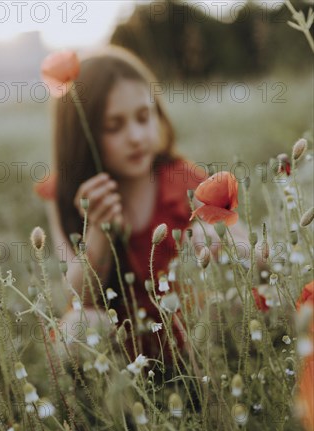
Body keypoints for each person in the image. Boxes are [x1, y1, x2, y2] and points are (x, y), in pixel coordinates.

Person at [34, 45, 250, 362]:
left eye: (143, 117)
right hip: (125, 344)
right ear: (82, 135)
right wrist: (98, 232)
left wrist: (220, 243)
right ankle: (113, 406)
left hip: (191, 331)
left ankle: (214, 387)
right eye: (114, 126)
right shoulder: (64, 193)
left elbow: (246, 247)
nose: (135, 136)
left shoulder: (182, 179)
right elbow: (81, 297)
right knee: (78, 328)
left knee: (232, 301)